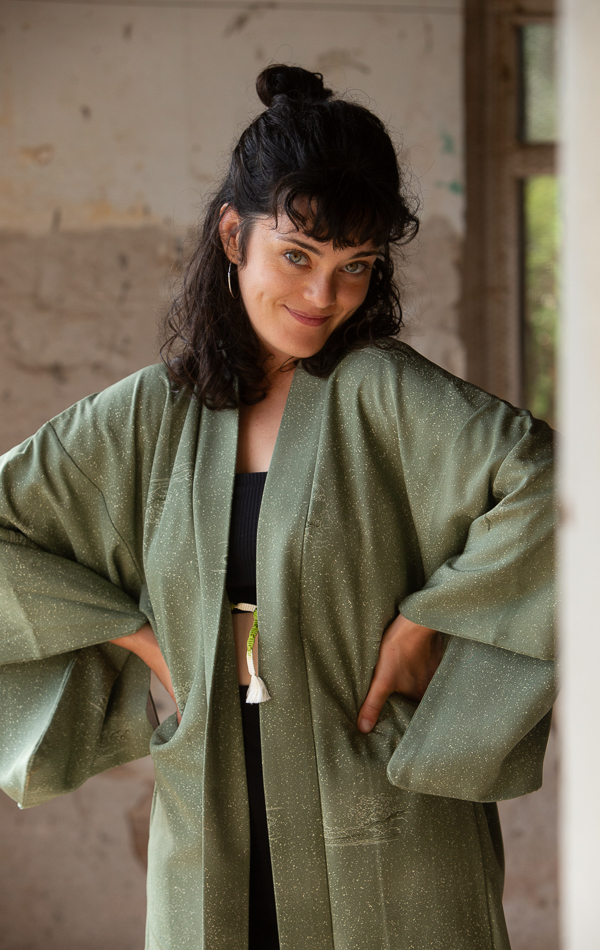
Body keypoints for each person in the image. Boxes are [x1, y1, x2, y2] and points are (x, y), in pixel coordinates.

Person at [0, 65, 555, 950]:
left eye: (354, 268)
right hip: (210, 822)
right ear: (234, 235)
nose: (322, 298)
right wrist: (140, 637)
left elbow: (558, 489)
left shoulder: (383, 392)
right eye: (298, 256)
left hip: (383, 829)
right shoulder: (148, 416)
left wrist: (429, 620)